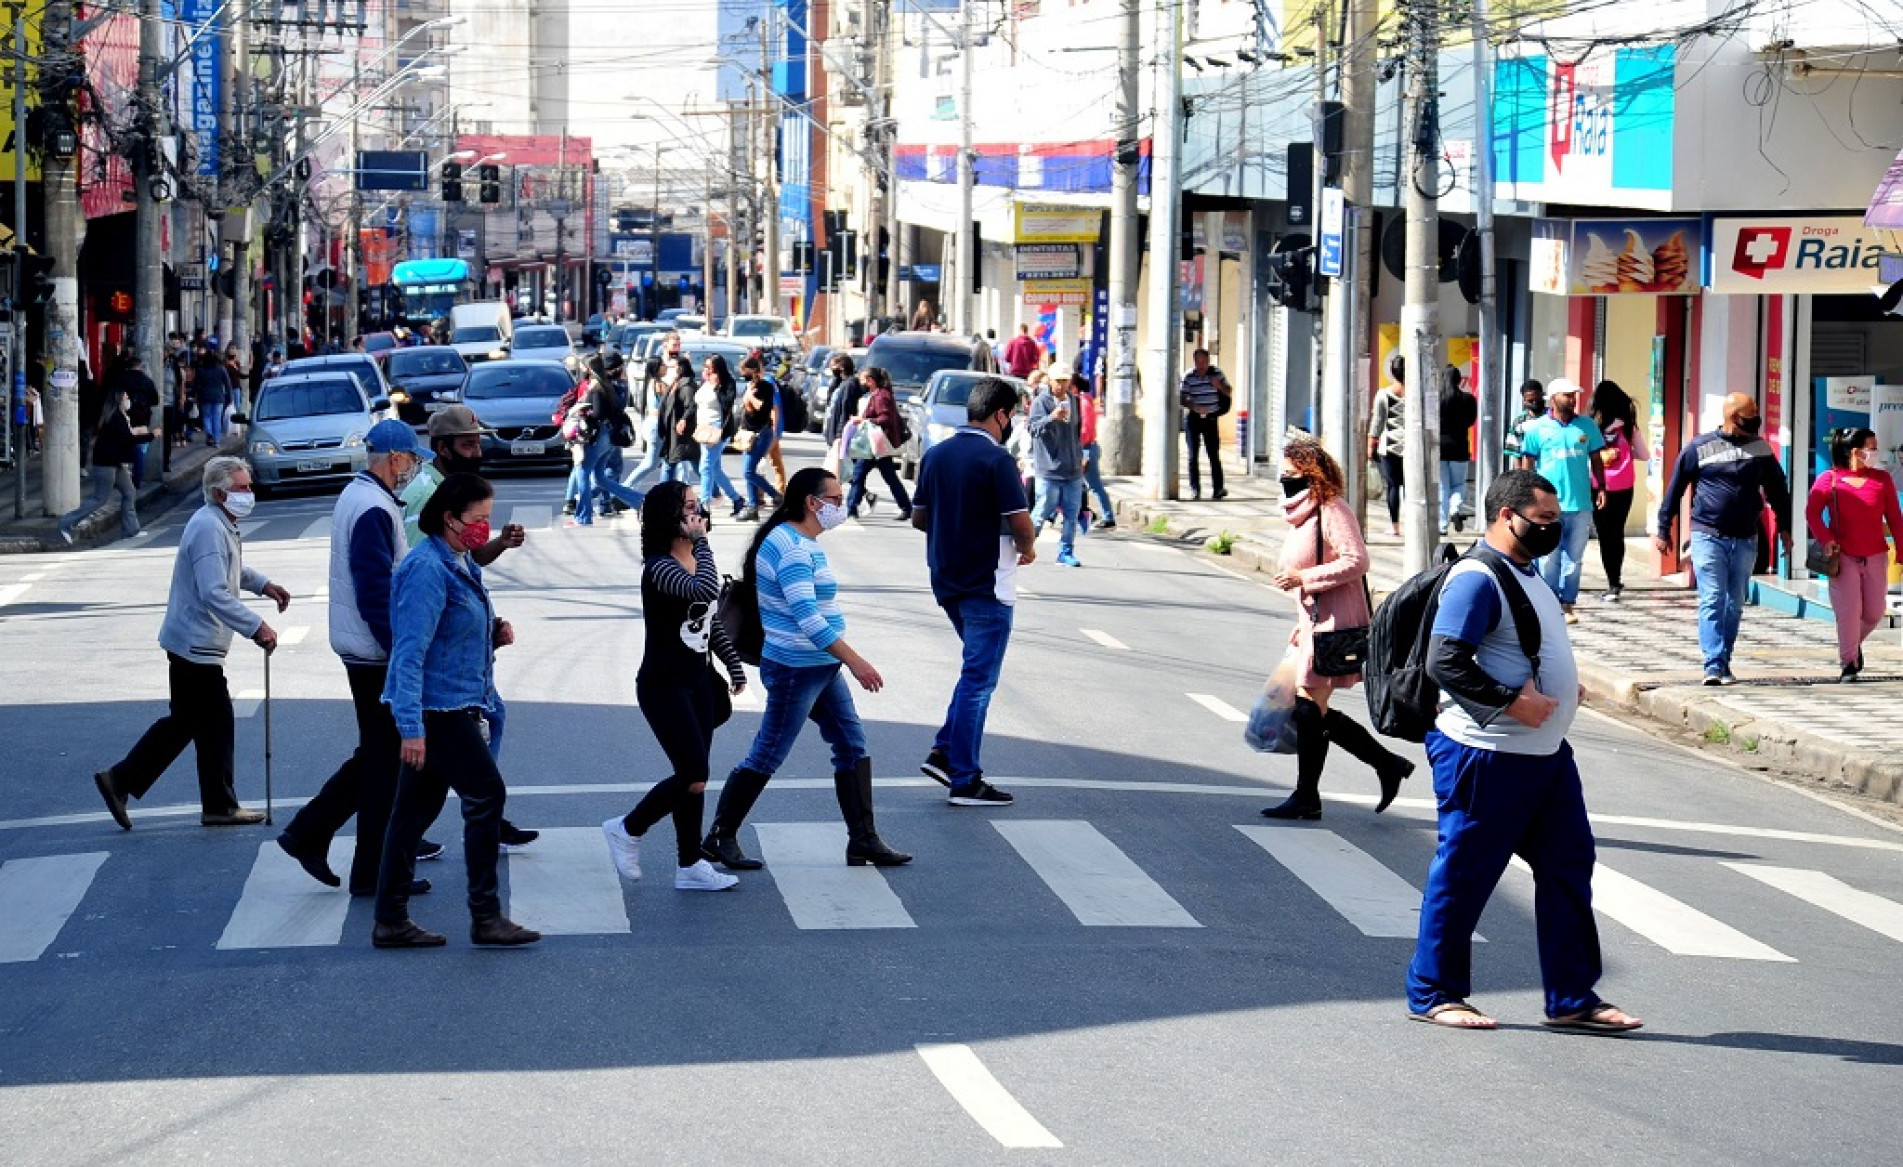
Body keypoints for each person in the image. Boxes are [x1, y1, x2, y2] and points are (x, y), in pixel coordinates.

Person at [1406, 469, 1641, 1036]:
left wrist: (1563, 690)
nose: (1552, 529)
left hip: (1545, 756)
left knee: (1568, 866)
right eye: (1542, 521)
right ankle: (1434, 991)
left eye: (1556, 520)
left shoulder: (1527, 571)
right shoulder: (1476, 577)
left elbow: (1523, 646)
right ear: (1505, 516)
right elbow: (1446, 661)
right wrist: (1513, 701)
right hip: (1487, 754)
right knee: (1465, 872)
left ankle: (1571, 996)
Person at [700, 468, 911, 870]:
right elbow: (808, 618)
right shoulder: (792, 548)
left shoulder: (797, 540)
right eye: (834, 498)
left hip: (820, 666)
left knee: (851, 745)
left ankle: (863, 840)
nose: (841, 504)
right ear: (812, 503)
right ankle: (719, 836)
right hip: (797, 668)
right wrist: (857, 661)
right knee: (768, 753)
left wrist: (840, 660)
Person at [372, 473, 541, 949]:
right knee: (486, 794)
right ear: (449, 517)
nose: (484, 528)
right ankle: (485, 916)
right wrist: (411, 728)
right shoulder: (426, 568)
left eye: (488, 518)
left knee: (410, 814)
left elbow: (453, 631)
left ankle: (390, 918)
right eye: (478, 519)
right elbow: (409, 653)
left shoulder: (458, 560)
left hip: (457, 702)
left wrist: (492, 632)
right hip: (436, 708)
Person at [275, 421, 434, 897]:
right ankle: (363, 866)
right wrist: (400, 652)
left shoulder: (364, 497)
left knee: (378, 758)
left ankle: (318, 839)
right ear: (395, 459)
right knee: (387, 763)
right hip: (373, 651)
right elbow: (373, 591)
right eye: (411, 459)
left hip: (363, 647)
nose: (414, 468)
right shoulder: (371, 507)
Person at [91, 457, 291, 831]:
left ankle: (130, 781)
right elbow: (214, 590)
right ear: (219, 493)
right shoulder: (208, 528)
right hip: (194, 642)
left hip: (195, 640)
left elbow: (231, 571)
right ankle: (204, 801)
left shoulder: (220, 524)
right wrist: (256, 626)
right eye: (242, 488)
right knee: (208, 720)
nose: (250, 494)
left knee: (191, 722)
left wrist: (263, 584)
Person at [398, 405, 537, 850]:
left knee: (430, 780)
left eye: (478, 441)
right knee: (444, 770)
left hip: (462, 649)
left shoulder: (459, 491)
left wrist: (497, 544)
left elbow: (466, 561)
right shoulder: (428, 495)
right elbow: (430, 574)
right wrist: (411, 723)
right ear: (442, 448)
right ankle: (482, 816)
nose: (477, 451)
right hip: (443, 664)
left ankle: (405, 849)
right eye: (468, 443)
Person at [601, 481, 749, 891]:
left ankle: (689, 865)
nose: (697, 512)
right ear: (669, 515)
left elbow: (707, 617)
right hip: (663, 685)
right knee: (691, 771)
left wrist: (733, 666)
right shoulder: (661, 566)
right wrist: (702, 544)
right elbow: (704, 590)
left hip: (697, 681)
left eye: (698, 504)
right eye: (688, 506)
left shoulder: (691, 558)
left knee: (696, 778)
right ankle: (627, 828)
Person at [1259, 436, 1414, 820]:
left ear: (1311, 475)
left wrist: (1303, 578)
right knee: (1311, 708)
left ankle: (1308, 795)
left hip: (1335, 624)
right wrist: (1301, 618)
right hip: (1313, 623)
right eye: (1282, 475)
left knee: (1310, 706)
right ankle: (1386, 765)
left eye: (1291, 475)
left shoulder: (1332, 508)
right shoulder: (1302, 513)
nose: (1285, 482)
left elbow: (1357, 560)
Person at [911, 377, 1034, 807]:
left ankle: (945, 751)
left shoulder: (935, 454)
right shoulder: (998, 460)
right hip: (988, 583)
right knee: (979, 679)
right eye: (1012, 416)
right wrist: (1029, 548)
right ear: (1000, 414)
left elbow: (919, 519)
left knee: (973, 673)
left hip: (945, 579)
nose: (1011, 424)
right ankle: (965, 777)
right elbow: (1021, 524)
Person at [1654, 392, 1794, 686]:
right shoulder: (1699, 447)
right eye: (1748, 416)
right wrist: (1663, 528)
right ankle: (1713, 664)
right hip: (1708, 534)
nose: (1754, 420)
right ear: (1731, 416)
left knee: (1735, 603)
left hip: (1745, 537)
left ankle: (1724, 658)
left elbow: (1778, 490)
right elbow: (1675, 487)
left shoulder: (1761, 449)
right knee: (1713, 597)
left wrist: (1785, 528)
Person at [1806, 428, 1903, 682]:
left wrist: (1901, 549)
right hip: (1843, 557)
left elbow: (1895, 517)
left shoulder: (1882, 479)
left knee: (1874, 611)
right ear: (1855, 451)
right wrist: (1826, 539)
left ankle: (1851, 644)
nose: (1875, 451)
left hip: (1876, 555)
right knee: (1849, 612)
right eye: (1871, 447)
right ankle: (1848, 663)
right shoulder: (1830, 479)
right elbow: (1812, 513)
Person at [1517, 379, 1606, 623]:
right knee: (1548, 558)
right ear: (1554, 398)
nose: (1572, 399)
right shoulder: (1536, 428)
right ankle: (1548, 601)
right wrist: (1527, 495)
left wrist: (1601, 487)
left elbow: (1597, 459)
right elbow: (1528, 463)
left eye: (1574, 395)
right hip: (1547, 506)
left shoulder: (1587, 426)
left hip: (1580, 505)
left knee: (1574, 560)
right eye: (1567, 395)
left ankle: (1568, 603)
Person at [58, 386, 148, 544]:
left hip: (114, 462)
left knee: (129, 492)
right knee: (100, 498)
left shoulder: (118, 416)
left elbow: (125, 437)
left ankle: (131, 530)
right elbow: (127, 439)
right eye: (126, 397)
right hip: (105, 464)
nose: (129, 400)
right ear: (120, 399)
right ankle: (67, 522)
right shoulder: (116, 418)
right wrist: (151, 435)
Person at [563, 355, 645, 528]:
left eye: (585, 367)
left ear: (590, 369)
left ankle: (583, 516)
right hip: (609, 437)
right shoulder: (610, 385)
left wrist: (584, 411)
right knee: (600, 477)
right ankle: (639, 500)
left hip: (598, 436)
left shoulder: (597, 387)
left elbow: (599, 413)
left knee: (582, 472)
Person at [1588, 380, 1649, 603]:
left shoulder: (1591, 428)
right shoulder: (1629, 428)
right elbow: (1645, 455)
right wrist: (1625, 454)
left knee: (1605, 535)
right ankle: (1615, 581)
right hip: (1624, 487)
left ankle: (1611, 581)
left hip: (1597, 486)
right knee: (1617, 532)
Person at [1027, 361, 1086, 567]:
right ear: (1050, 381)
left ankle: (1066, 551)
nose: (1062, 385)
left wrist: (1081, 454)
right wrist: (1052, 418)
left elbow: (1077, 432)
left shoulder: (1074, 401)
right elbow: (1033, 428)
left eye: (1065, 381)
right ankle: (1025, 547)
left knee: (1071, 514)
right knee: (1041, 511)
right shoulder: (1041, 402)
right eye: (1058, 381)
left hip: (1072, 469)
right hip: (1049, 468)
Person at [846, 366, 913, 520]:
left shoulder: (881, 396)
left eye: (863, 379)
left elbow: (885, 418)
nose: (861, 382)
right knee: (880, 476)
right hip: (874, 444)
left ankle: (852, 508)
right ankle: (906, 507)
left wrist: (864, 420)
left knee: (859, 474)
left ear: (870, 381)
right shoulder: (877, 394)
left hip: (877, 444)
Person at [1178, 348, 1230, 501]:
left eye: (1204, 362)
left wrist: (1219, 385)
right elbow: (1182, 398)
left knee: (1213, 454)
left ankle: (1218, 488)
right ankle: (1195, 489)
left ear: (1208, 362)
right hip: (1194, 418)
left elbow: (1229, 391)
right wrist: (1194, 407)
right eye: (1198, 362)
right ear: (1194, 361)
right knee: (1192, 455)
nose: (1201, 366)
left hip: (1211, 418)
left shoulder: (1216, 374)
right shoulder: (1188, 376)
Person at [736, 357, 782, 521]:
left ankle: (775, 495)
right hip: (748, 434)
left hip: (760, 433)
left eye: (744, 371)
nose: (742, 374)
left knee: (748, 472)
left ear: (753, 370)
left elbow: (762, 407)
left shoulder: (765, 386)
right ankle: (753, 507)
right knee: (749, 472)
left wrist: (750, 397)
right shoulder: (749, 386)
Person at [1368, 356, 1407, 535]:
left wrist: (1370, 445)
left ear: (1392, 372)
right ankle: (1413, 524)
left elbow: (1377, 422)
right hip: (1410, 447)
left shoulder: (1383, 395)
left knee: (1393, 486)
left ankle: (1395, 526)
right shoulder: (1414, 394)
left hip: (1388, 446)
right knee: (1410, 487)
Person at [1438, 365, 1478, 535]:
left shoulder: (1437, 399)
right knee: (1459, 483)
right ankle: (1456, 509)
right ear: (1459, 380)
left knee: (1442, 485)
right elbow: (1471, 421)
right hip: (1460, 445)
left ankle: (1442, 525)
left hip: (1439, 446)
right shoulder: (1468, 399)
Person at [113, 355, 162, 487]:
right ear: (140, 366)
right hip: (142, 419)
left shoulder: (121, 379)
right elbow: (155, 400)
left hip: (124, 416)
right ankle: (137, 480)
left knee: (122, 446)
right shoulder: (147, 381)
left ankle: (122, 479)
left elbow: (113, 397)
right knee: (139, 449)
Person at [1076, 369, 1116, 528]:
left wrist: (1079, 449)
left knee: (1095, 485)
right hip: (1085, 447)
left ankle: (1108, 516)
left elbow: (1085, 429)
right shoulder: (1083, 401)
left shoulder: (1083, 402)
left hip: (1086, 448)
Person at [194, 347, 234, 446]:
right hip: (218, 397)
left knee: (206, 416)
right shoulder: (221, 369)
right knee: (217, 418)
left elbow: (197, 385)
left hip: (205, 396)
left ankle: (209, 432)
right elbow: (228, 383)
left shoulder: (201, 370)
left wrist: (196, 394)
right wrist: (230, 396)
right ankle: (217, 440)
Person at [1502, 379, 1546, 469]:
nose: (1535, 403)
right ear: (1524, 400)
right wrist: (1520, 476)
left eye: (1537, 399)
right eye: (1530, 400)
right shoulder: (1519, 421)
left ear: (1543, 396)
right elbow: (1515, 452)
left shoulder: (1552, 417)